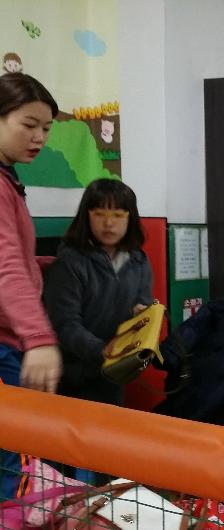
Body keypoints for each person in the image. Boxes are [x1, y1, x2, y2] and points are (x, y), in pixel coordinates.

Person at [43, 179, 153, 408]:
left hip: (113, 376)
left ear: (130, 218)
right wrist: (103, 351)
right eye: (99, 214)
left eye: (118, 215)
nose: (109, 223)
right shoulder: (70, 262)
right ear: (86, 217)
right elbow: (64, 324)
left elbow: (144, 307)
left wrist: (143, 315)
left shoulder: (138, 261)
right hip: (70, 378)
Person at [0, 72, 61, 393]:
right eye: (29, 125)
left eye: (46, 128)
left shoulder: (8, 178)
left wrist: (43, 265)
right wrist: (38, 337)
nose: (39, 138)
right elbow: (5, 266)